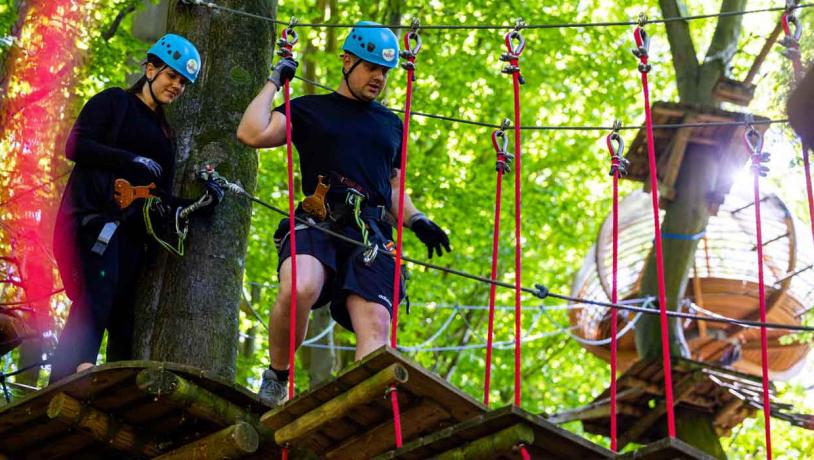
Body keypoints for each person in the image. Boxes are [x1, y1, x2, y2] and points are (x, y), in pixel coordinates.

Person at [237, 21, 451, 405]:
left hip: (369, 230)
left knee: (377, 323)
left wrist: (418, 220)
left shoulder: (390, 125)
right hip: (318, 217)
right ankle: (277, 377)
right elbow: (251, 134)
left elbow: (395, 189)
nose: (379, 78)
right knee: (300, 286)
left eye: (385, 71)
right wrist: (274, 80)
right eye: (371, 67)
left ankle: (365, 407)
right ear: (347, 61)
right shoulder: (310, 110)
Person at [49, 34, 222, 384]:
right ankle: (75, 369)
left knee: (124, 311)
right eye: (171, 75)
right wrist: (129, 159)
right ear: (150, 67)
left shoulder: (166, 136)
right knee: (100, 284)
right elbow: (75, 144)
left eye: (183, 82)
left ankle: (114, 382)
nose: (177, 86)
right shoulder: (115, 103)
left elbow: (162, 198)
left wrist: (201, 203)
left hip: (131, 232)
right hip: (91, 217)